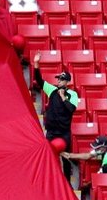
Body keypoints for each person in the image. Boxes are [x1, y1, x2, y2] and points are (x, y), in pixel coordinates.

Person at [33, 52, 79, 182]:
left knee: (66, 158)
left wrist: (63, 96)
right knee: (49, 156)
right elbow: (39, 81)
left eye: (61, 79)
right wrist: (36, 64)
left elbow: (71, 109)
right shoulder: (51, 90)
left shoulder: (72, 94)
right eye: (58, 79)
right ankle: (48, 179)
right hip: (52, 131)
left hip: (64, 132)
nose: (59, 81)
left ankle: (67, 182)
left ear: (67, 81)